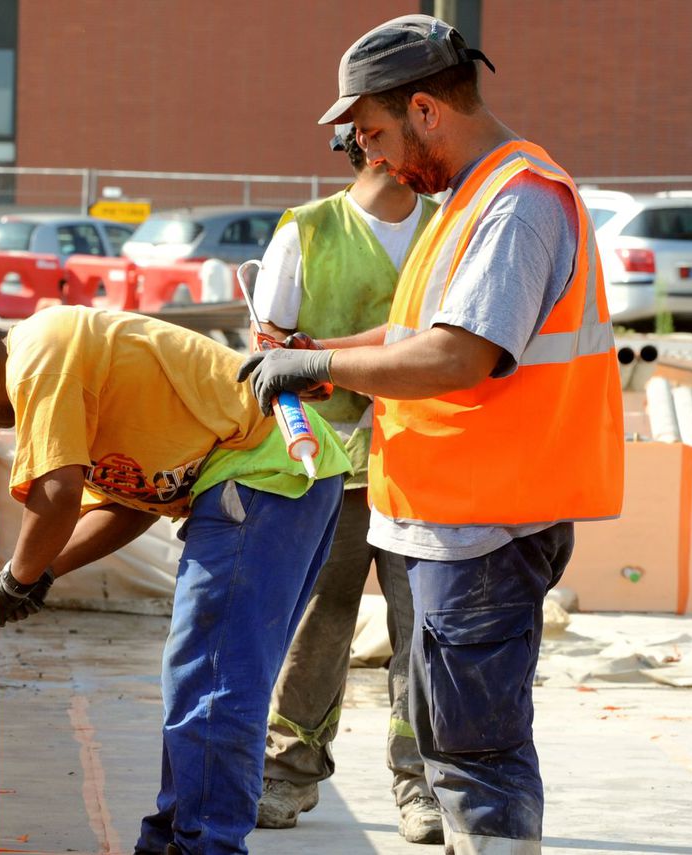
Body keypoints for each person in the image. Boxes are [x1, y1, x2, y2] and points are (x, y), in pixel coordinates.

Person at [240, 14, 623, 854]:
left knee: (475, 752)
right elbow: (411, 333)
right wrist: (309, 353)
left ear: (425, 109)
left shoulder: (516, 203)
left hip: (490, 520)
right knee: (455, 741)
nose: (372, 155)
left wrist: (319, 372)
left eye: (374, 132)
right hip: (455, 515)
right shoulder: (465, 202)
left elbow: (456, 357)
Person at [0, 302, 350, 854]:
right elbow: (132, 503)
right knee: (204, 677)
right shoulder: (58, 355)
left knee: (213, 679)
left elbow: (57, 493)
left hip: (262, 473)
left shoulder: (41, 360)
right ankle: (173, 837)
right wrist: (42, 576)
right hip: (277, 476)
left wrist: (16, 578)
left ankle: (205, 846)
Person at [251, 125, 443, 843]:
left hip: (423, 466)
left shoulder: (445, 228)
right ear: (376, 148)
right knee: (317, 623)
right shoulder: (308, 232)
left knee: (420, 628)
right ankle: (287, 770)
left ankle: (420, 782)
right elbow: (269, 357)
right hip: (325, 469)